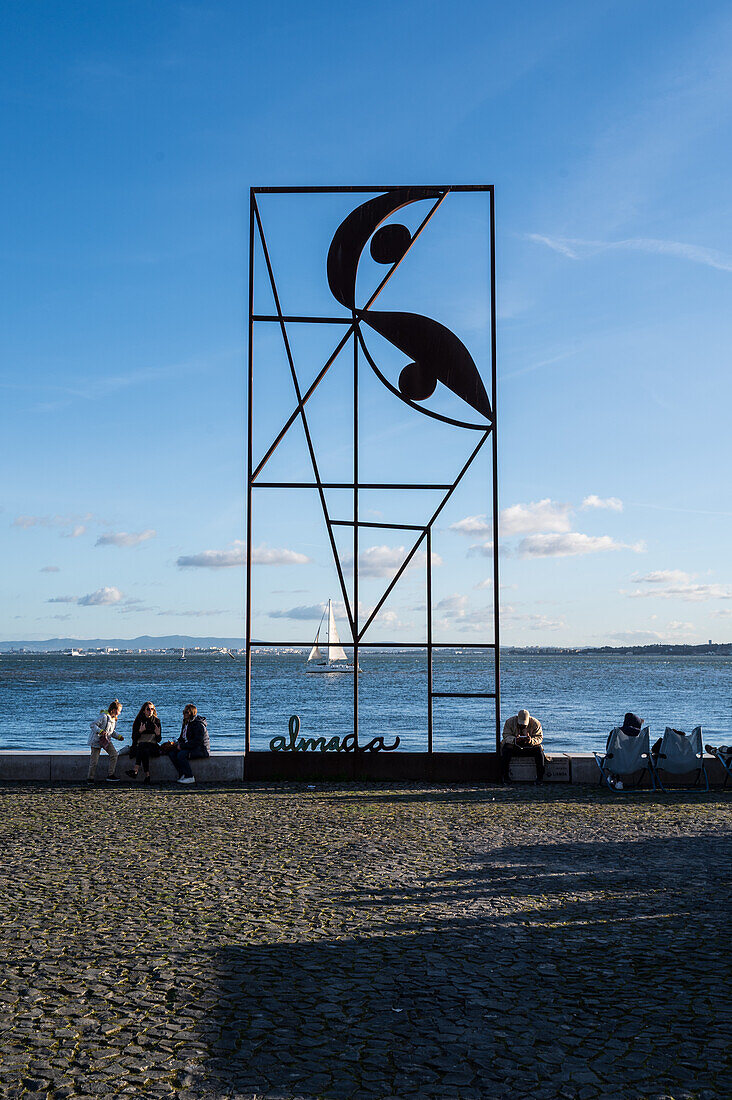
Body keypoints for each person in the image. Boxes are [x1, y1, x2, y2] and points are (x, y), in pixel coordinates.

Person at [167, 703, 209, 785]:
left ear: (192, 713)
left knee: (181, 755)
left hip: (200, 749)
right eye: (184, 712)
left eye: (186, 712)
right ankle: (182, 774)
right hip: (190, 747)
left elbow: (197, 741)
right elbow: (182, 737)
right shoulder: (186, 723)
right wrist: (175, 744)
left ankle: (190, 776)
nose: (184, 714)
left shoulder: (198, 725)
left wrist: (182, 746)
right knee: (171, 753)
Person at [501, 708, 545, 784]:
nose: (522, 726)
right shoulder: (509, 722)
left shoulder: (535, 723)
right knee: (505, 749)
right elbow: (506, 735)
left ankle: (540, 778)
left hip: (529, 747)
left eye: (524, 725)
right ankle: (505, 777)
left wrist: (531, 741)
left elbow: (539, 737)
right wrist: (514, 740)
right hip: (514, 746)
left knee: (539, 751)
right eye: (520, 724)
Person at [88, 700, 124, 783]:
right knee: (94, 761)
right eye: (119, 711)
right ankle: (90, 778)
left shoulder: (114, 720)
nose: (120, 713)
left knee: (114, 754)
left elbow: (111, 732)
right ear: (114, 710)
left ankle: (110, 775)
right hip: (96, 740)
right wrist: (100, 731)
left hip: (106, 740)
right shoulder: (103, 717)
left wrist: (118, 737)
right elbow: (93, 725)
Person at [126, 702, 162, 783]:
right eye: (148, 709)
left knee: (144, 747)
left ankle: (135, 770)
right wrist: (140, 731)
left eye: (152, 709)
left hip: (153, 746)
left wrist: (158, 734)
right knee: (143, 748)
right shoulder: (138, 721)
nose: (150, 711)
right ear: (143, 711)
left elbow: (159, 740)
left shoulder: (156, 721)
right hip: (139, 746)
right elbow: (134, 738)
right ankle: (147, 776)